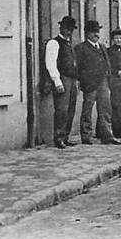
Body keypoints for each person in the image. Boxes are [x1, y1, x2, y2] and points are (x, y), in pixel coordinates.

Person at [74, 20, 121, 145]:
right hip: (90, 83)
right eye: (93, 32)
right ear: (87, 33)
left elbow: (107, 63)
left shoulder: (101, 47)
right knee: (87, 109)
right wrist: (82, 81)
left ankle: (107, 135)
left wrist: (108, 77)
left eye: (97, 31)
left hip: (103, 82)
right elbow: (78, 67)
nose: (96, 34)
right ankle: (86, 135)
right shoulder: (81, 48)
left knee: (105, 109)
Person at [44, 16, 79, 149]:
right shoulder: (54, 43)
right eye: (66, 29)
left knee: (70, 109)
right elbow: (50, 63)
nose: (69, 32)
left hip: (72, 79)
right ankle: (58, 138)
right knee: (62, 110)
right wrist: (57, 81)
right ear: (61, 28)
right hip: (62, 78)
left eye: (71, 30)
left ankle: (66, 136)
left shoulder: (69, 44)